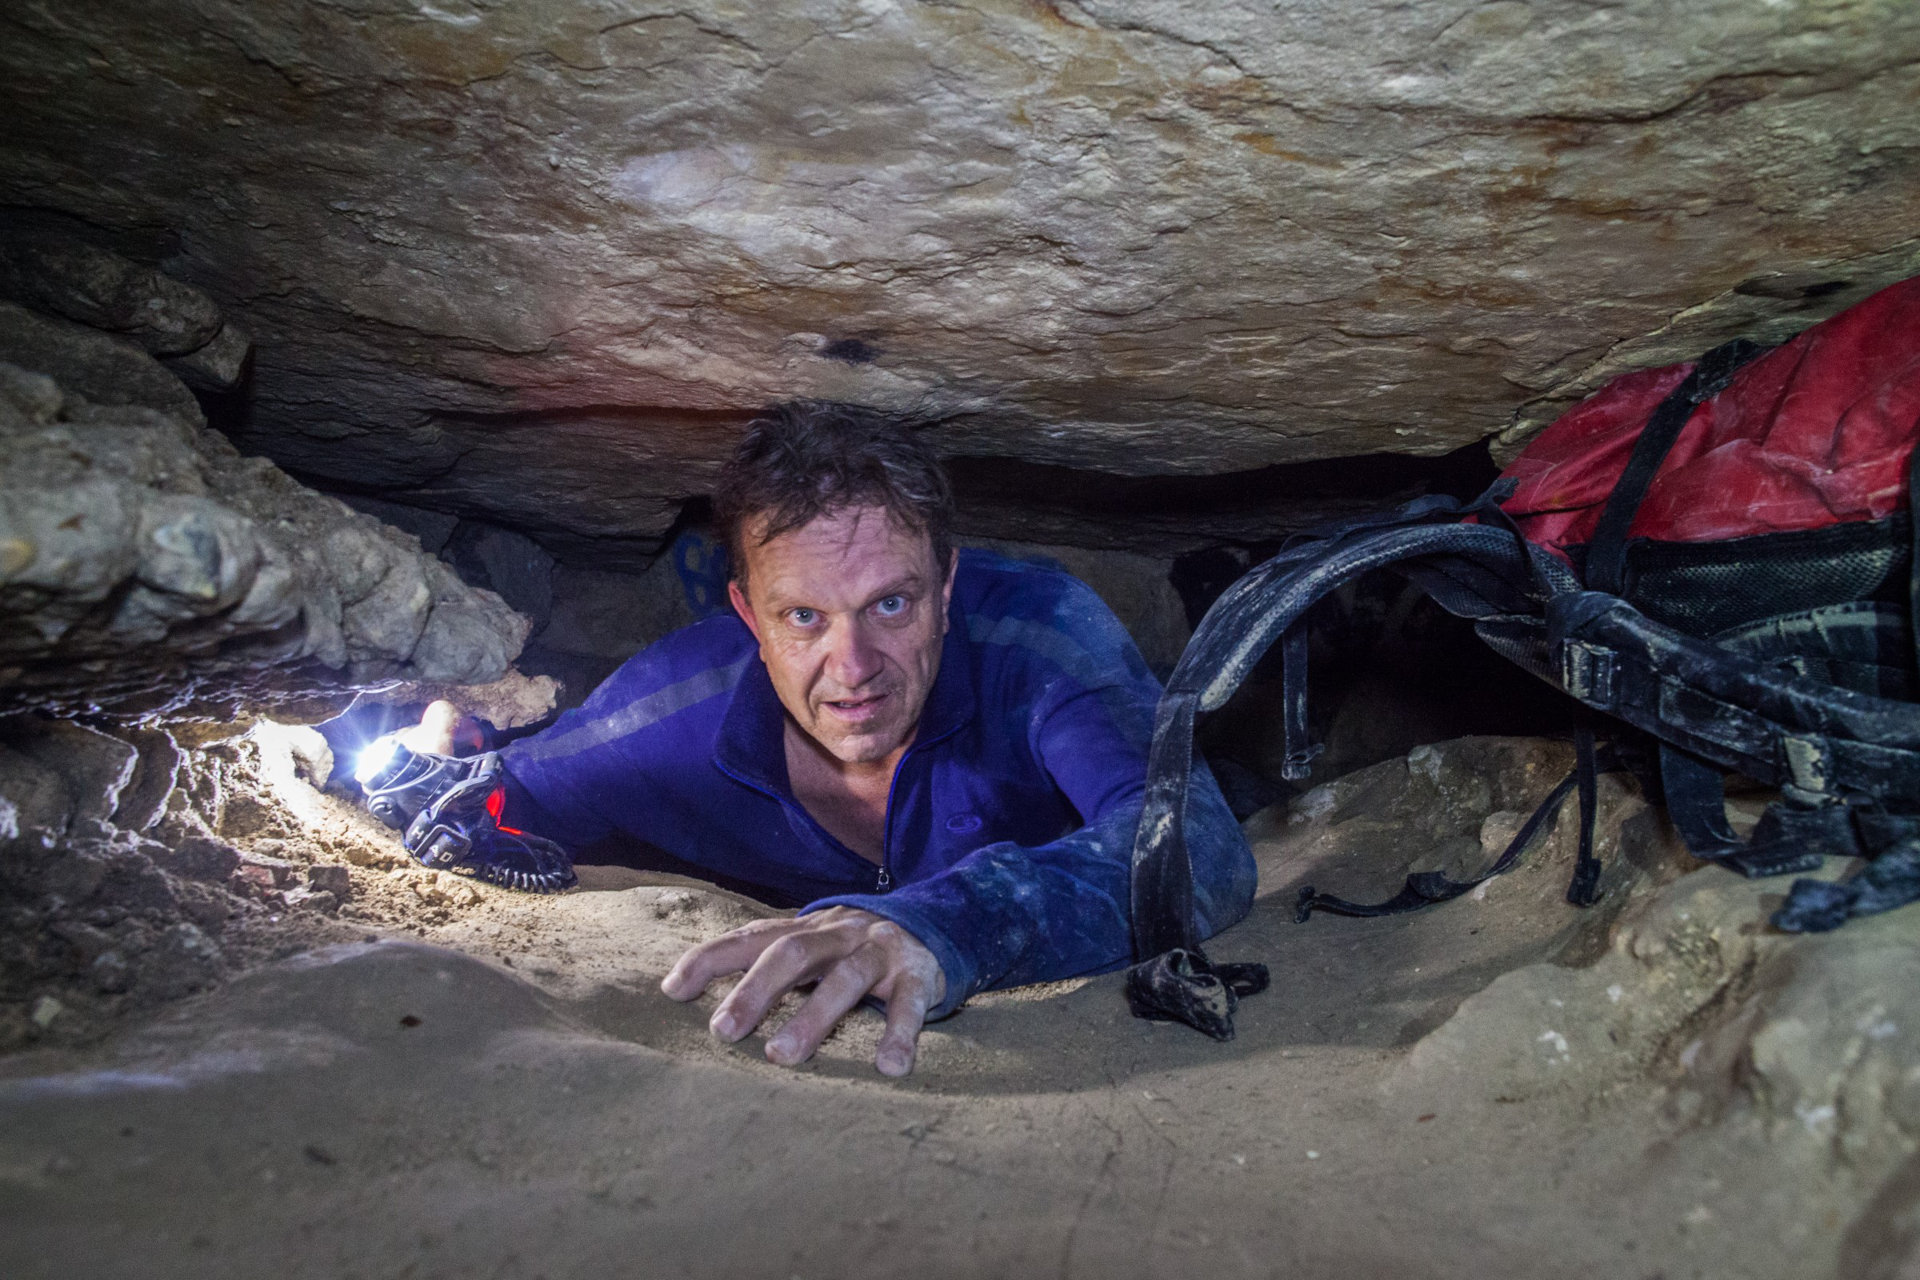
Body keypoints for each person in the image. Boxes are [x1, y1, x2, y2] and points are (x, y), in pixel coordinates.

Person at [398, 402, 1255, 1075]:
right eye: (804, 617)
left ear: (948, 586)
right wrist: (428, 750)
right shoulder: (672, 711)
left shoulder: (1037, 637)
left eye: (891, 603)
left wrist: (947, 922)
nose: (853, 666)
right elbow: (487, 791)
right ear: (747, 617)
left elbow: (1195, 843)